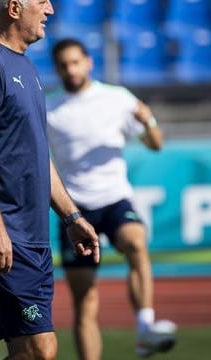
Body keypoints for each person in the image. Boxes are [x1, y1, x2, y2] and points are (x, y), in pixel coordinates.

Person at [0, 1, 100, 359]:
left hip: (32, 235)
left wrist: (71, 217)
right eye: (42, 1)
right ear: (15, 7)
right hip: (3, 234)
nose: (49, 9)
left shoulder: (27, 67)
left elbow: (36, 155)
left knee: (30, 350)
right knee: (38, 348)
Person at [46, 38, 177, 359]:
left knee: (136, 241)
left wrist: (148, 121)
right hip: (75, 210)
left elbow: (156, 143)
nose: (70, 69)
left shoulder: (117, 98)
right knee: (85, 301)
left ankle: (145, 328)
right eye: (63, 64)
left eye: (75, 62)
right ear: (57, 68)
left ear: (89, 62)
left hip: (115, 199)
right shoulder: (49, 108)